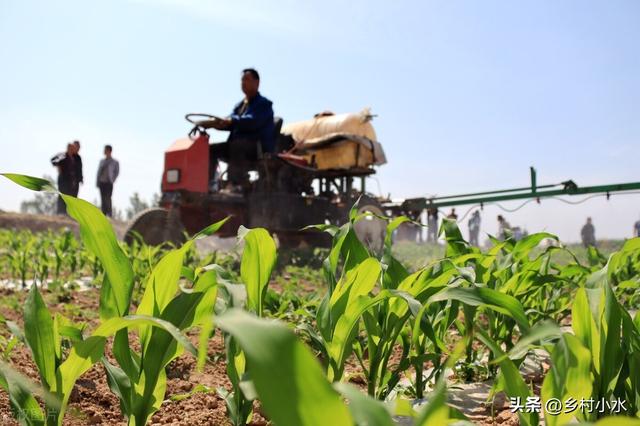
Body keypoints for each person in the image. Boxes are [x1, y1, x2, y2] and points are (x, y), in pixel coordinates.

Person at [209, 68, 275, 189]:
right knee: (211, 149)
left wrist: (231, 121)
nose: (243, 83)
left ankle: (234, 185)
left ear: (257, 82)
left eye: (247, 79)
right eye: (242, 80)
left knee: (237, 146)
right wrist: (217, 124)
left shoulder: (264, 104)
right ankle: (210, 184)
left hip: (258, 148)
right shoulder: (239, 105)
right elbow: (230, 120)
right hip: (239, 145)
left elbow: (253, 121)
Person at [51, 143, 79, 215]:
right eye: (71, 148)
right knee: (62, 195)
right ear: (68, 148)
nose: (72, 150)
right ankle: (61, 212)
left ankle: (68, 213)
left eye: (73, 149)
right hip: (63, 179)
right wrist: (58, 166)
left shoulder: (73, 158)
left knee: (70, 197)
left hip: (71, 181)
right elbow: (53, 160)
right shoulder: (62, 156)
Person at [96, 145, 120, 217]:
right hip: (102, 182)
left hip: (109, 182)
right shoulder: (102, 161)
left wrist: (113, 179)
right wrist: (97, 182)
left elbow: (117, 172)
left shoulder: (115, 162)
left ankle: (109, 214)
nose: (104, 151)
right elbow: (98, 172)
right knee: (102, 198)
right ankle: (103, 214)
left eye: (105, 150)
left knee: (108, 198)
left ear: (109, 151)